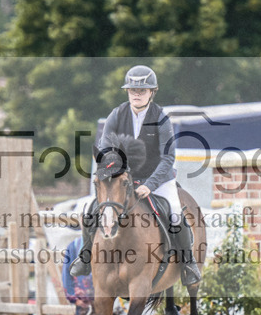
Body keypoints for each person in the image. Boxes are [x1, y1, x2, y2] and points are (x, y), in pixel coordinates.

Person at [69, 64, 201, 285]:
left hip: (158, 179)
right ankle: (84, 257)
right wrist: (115, 171)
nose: (137, 94)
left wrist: (150, 185)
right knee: (92, 210)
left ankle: (188, 263)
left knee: (176, 215)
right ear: (128, 92)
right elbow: (106, 148)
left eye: (142, 90)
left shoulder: (161, 118)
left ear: (152, 92)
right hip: (123, 179)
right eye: (133, 90)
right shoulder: (116, 115)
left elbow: (168, 158)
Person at [61, 235, 95, 315]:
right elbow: (67, 273)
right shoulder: (74, 246)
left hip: (103, 300)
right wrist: (73, 298)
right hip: (83, 301)